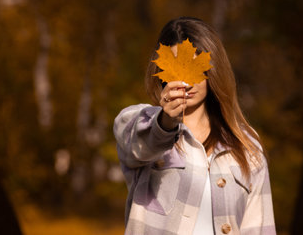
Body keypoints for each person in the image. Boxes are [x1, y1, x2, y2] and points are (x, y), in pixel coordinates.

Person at [114, 17, 276, 235]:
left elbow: (259, 228)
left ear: (212, 70)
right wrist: (166, 123)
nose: (186, 82)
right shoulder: (139, 122)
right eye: (175, 69)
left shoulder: (246, 146)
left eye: (195, 69)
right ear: (160, 70)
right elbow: (141, 142)